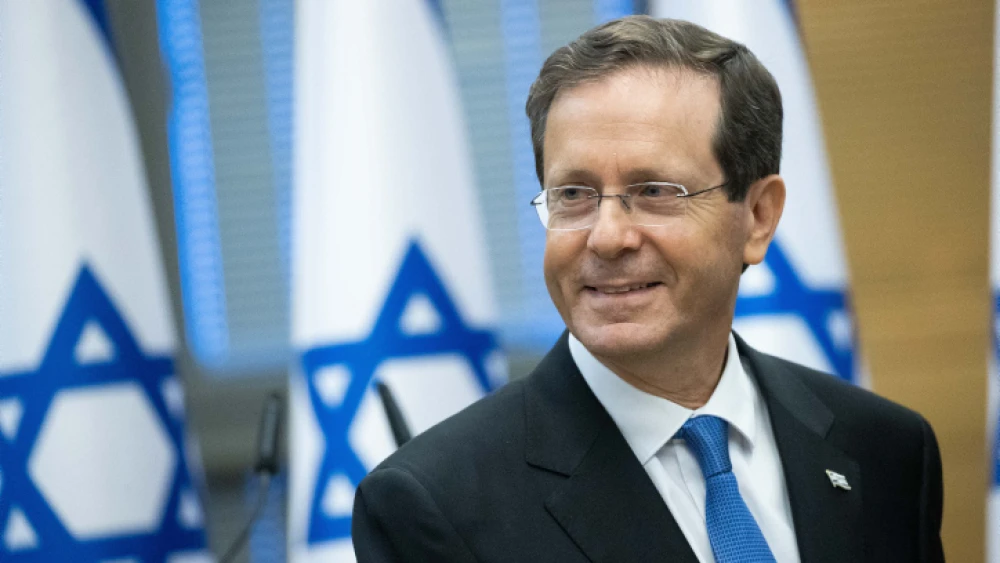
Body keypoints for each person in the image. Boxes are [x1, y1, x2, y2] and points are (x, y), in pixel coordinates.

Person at [352, 16, 944, 562]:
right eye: (574, 195)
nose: (606, 238)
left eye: (656, 192)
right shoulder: (436, 504)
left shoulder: (886, 451)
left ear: (759, 217)